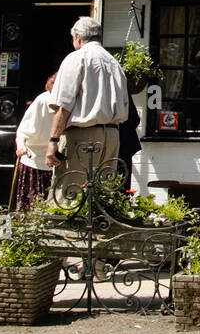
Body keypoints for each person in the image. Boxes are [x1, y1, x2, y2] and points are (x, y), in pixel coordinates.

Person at [46, 16, 129, 204]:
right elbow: (125, 103)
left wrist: (53, 141)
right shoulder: (114, 63)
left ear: (78, 38)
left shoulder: (76, 58)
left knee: (67, 195)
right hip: (112, 135)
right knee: (101, 196)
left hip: (82, 136)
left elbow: (63, 105)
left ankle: (61, 233)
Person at [13, 74, 57, 209]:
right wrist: (21, 147)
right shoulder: (43, 101)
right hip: (36, 162)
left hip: (57, 163)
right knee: (33, 207)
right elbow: (22, 131)